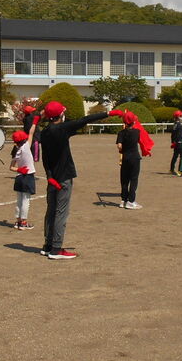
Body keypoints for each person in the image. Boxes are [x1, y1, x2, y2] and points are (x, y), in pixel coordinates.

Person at [39, 101, 110, 260]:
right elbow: (84, 120)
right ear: (60, 115)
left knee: (51, 211)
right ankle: (56, 249)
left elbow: (45, 158)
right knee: (61, 212)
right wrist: (108, 114)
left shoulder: (45, 132)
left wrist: (49, 177)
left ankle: (48, 245)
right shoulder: (63, 129)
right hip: (64, 177)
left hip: (52, 178)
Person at [10, 115, 41, 229]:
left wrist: (19, 169)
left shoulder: (16, 151)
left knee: (19, 200)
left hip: (19, 177)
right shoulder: (26, 147)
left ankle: (18, 221)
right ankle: (23, 222)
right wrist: (35, 122)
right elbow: (31, 133)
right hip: (28, 177)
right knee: (26, 201)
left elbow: (11, 167)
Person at [116, 111, 145, 209]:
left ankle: (123, 200)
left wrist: (123, 134)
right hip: (135, 158)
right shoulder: (137, 132)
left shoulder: (121, 133)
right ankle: (131, 201)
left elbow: (119, 146)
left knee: (124, 180)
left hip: (125, 158)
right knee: (133, 180)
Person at [169, 110, 182, 176]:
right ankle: (180, 170)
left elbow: (172, 135)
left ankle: (172, 169)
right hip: (180, 142)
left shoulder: (175, 124)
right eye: (181, 116)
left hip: (176, 143)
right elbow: (179, 135)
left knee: (175, 156)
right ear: (178, 117)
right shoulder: (179, 125)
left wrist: (173, 142)